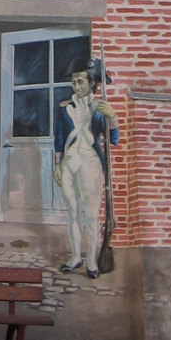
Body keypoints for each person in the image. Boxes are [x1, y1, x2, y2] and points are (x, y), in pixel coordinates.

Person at [53, 57, 119, 279]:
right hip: (69, 163)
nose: (76, 86)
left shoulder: (99, 108)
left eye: (80, 81)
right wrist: (57, 164)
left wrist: (112, 118)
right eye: (74, 82)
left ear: (92, 83)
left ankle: (91, 260)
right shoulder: (64, 108)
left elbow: (113, 140)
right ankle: (75, 257)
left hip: (90, 163)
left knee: (91, 215)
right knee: (72, 213)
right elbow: (59, 138)